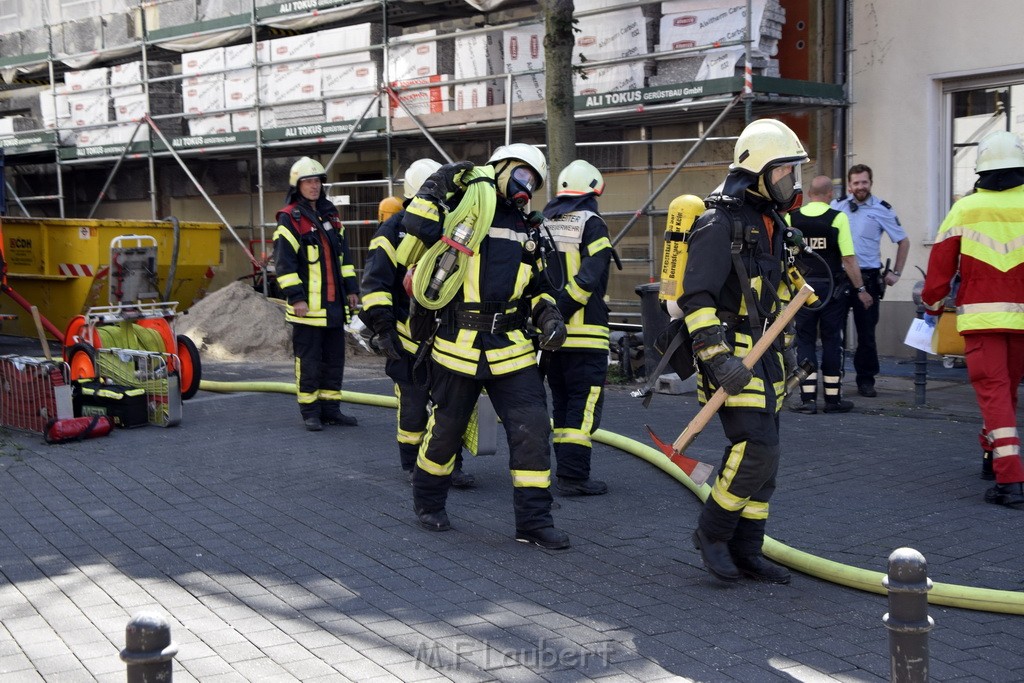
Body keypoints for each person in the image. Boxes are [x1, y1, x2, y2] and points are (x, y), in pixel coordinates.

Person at [400, 143, 570, 549]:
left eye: (534, 181)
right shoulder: (461, 204)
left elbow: (540, 289)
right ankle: (428, 503)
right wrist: (439, 182)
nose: (527, 186)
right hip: (457, 343)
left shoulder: (528, 227)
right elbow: (416, 223)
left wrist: (549, 316)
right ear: (501, 168)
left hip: (511, 346)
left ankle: (534, 522)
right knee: (446, 431)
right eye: (523, 174)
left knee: (531, 430)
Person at [680, 118, 810, 585]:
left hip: (767, 359)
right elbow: (697, 298)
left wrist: (791, 353)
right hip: (733, 358)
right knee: (754, 448)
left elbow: (776, 300)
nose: (790, 182)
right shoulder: (719, 222)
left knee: (768, 459)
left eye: (793, 172)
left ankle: (748, 549)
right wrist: (716, 359)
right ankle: (711, 534)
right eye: (784, 173)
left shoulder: (773, 223)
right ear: (757, 172)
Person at [922, 130, 1024, 510]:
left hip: (981, 321)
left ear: (981, 170)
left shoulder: (966, 208)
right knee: (1005, 393)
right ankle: (991, 454)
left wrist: (932, 305)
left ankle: (1010, 480)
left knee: (994, 393)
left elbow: (939, 267)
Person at [359, 158, 474, 488]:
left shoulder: (453, 226)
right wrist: (383, 327)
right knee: (412, 406)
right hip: (407, 339)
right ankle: (412, 464)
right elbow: (375, 283)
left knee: (449, 407)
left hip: (447, 339)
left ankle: (450, 465)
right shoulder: (392, 230)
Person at [273, 156, 360, 431]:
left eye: (317, 181)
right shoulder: (290, 219)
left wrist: (352, 290)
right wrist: (296, 298)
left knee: (334, 360)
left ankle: (331, 409)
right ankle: (310, 411)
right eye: (308, 181)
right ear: (297, 185)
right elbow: (284, 265)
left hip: (334, 306)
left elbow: (344, 258)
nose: (314, 186)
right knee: (309, 361)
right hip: (308, 309)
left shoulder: (331, 215)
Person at [542, 160, 613, 496]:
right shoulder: (593, 223)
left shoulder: (543, 223)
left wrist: (548, 317)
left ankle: (566, 471)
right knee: (582, 408)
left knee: (561, 404)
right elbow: (589, 277)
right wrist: (562, 311)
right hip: (586, 337)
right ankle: (573, 477)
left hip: (551, 339)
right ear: (593, 191)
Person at [787, 174, 870, 414]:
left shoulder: (792, 217)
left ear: (810, 194)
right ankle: (833, 400)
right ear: (829, 194)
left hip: (802, 289)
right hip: (832, 290)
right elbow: (848, 258)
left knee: (804, 340)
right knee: (833, 340)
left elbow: (786, 256)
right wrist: (861, 289)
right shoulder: (838, 218)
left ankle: (808, 399)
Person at [831, 164, 909, 397]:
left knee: (866, 334)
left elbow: (903, 241)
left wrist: (896, 272)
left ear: (871, 183)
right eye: (856, 183)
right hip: (841, 278)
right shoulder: (837, 207)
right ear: (849, 185)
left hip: (868, 278)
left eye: (864, 182)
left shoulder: (881, 208)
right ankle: (834, 380)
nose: (860, 187)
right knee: (835, 332)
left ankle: (866, 381)